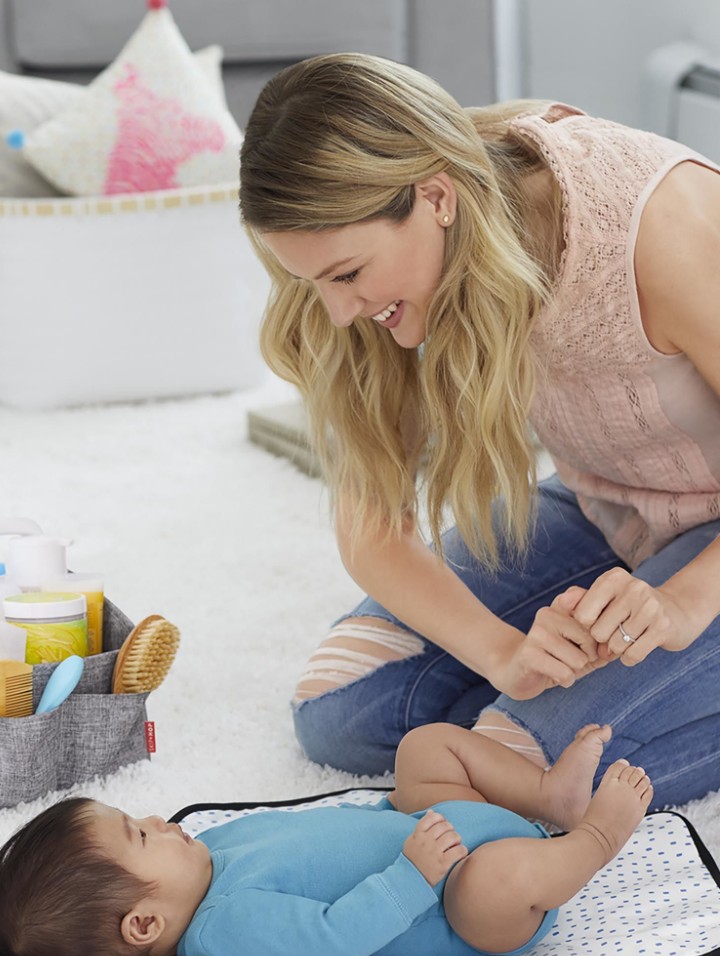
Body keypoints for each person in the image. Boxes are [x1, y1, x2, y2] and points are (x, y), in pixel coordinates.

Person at [236, 54, 720, 807]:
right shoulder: (369, 259)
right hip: (610, 503)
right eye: (312, 281)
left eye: (347, 275)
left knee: (513, 772)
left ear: (436, 197)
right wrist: (504, 657)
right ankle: (610, 709)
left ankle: (593, 720)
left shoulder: (657, 224)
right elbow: (371, 529)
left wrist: (684, 603)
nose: (337, 312)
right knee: (340, 708)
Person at [0, 722, 652, 956]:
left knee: (425, 747)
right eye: (138, 835)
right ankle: (594, 837)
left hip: (424, 821)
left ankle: (546, 795)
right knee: (496, 883)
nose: (158, 820)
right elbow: (333, 937)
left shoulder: (201, 858)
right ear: (144, 923)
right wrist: (413, 876)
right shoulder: (225, 928)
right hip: (456, 899)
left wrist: (408, 828)